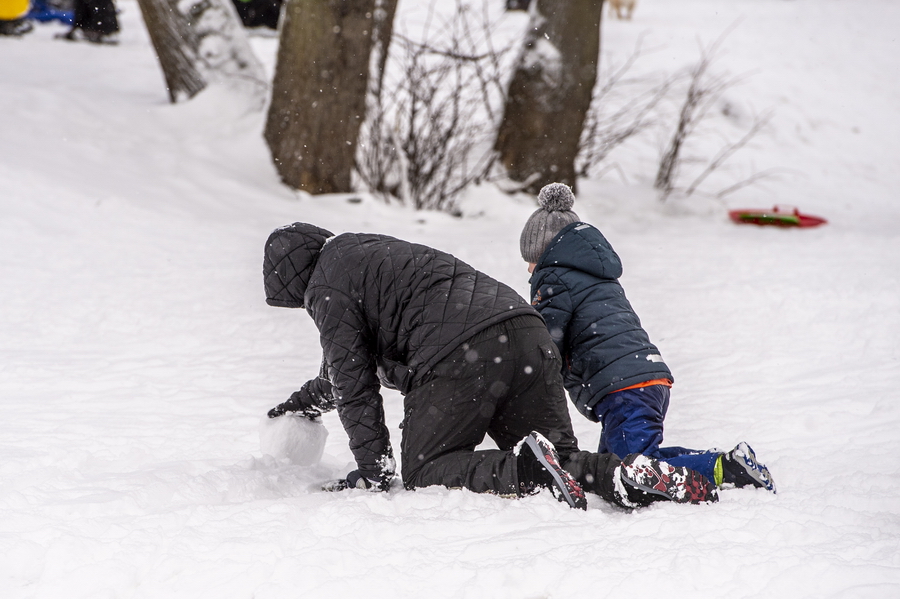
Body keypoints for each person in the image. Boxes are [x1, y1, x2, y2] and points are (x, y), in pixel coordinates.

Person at [263, 222, 718, 510]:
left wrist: (373, 471)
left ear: (292, 283)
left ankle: (528, 471)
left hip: (463, 352)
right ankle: (622, 475)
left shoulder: (326, 288)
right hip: (526, 332)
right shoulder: (365, 256)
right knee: (559, 459)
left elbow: (353, 383)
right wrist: (299, 404)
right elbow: (341, 373)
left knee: (425, 469)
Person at [519, 183, 776, 493]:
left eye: (530, 261)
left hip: (623, 389)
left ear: (544, 252)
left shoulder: (553, 278)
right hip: (645, 378)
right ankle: (724, 461)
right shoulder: (597, 276)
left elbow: (547, 340)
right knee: (613, 466)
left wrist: (526, 370)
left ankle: (729, 470)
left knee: (635, 473)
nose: (530, 270)